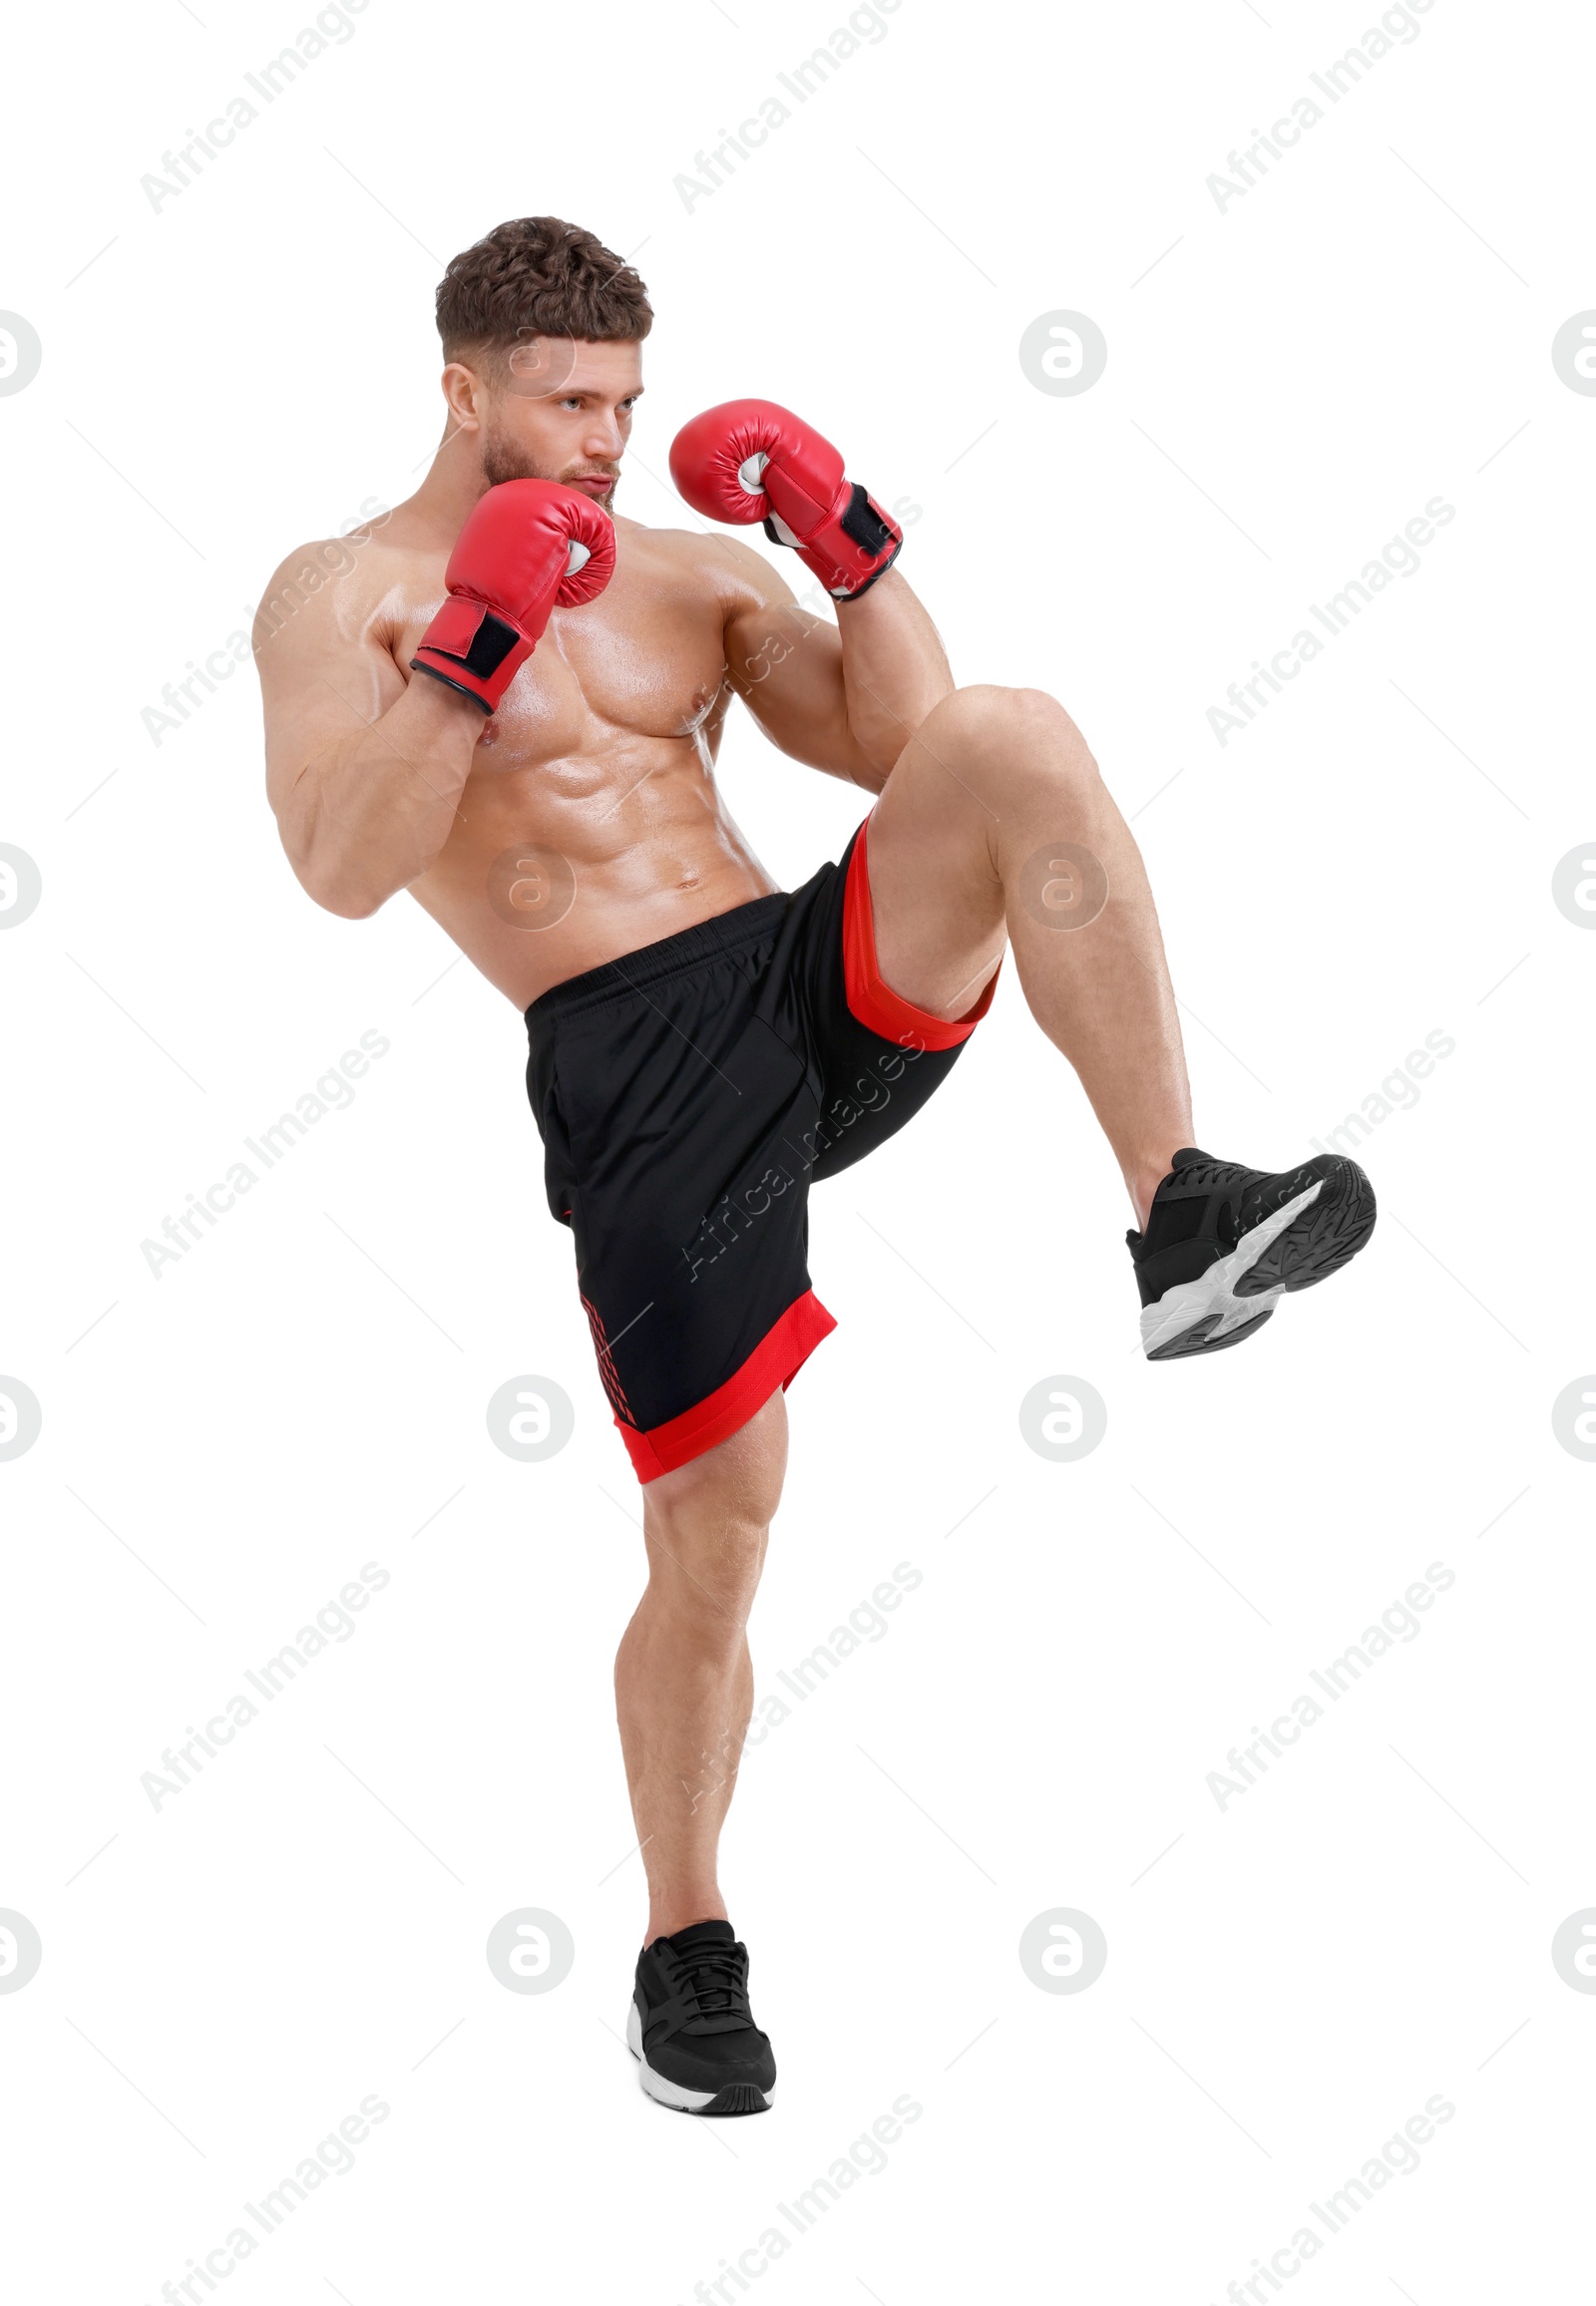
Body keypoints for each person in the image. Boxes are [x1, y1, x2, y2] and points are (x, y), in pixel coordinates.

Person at [255, 214, 1374, 2116]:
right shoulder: (340, 589)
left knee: (1014, 734)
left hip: (807, 986)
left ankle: (1178, 1215)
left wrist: (846, 545)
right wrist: (468, 654)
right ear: (465, 388)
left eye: (629, 399)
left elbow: (901, 743)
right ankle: (687, 1946)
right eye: (569, 401)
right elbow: (338, 867)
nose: (609, 438)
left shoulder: (680, 570)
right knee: (723, 1525)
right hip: (632, 1068)